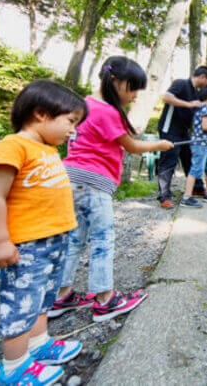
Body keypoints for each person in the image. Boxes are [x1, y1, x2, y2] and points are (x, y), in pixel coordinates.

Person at [52, 56, 173, 322]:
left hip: (70, 179)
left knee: (74, 239)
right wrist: (160, 145)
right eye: (132, 89)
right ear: (115, 81)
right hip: (94, 183)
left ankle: (59, 296)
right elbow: (131, 145)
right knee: (103, 240)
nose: (133, 96)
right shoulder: (106, 111)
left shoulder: (84, 103)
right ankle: (105, 300)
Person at [0, 80, 87, 385]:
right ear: (41, 113)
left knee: (44, 296)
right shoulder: (12, 146)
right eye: (70, 122)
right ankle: (14, 366)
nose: (73, 131)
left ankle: (39, 344)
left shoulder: (47, 150)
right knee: (21, 301)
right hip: (26, 244)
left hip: (55, 240)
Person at [156, 65, 207, 209]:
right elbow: (166, 97)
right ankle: (164, 196)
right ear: (202, 77)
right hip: (170, 129)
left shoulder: (196, 93)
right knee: (169, 161)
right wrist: (188, 104)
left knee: (189, 157)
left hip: (184, 131)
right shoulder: (181, 84)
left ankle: (197, 188)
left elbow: (206, 111)